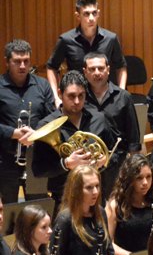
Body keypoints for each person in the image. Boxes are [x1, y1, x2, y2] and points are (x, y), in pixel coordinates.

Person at [29, 70, 121, 205]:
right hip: (63, 198)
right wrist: (66, 163)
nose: (77, 101)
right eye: (71, 96)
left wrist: (105, 159)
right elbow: (38, 170)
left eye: (81, 95)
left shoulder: (99, 119)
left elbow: (116, 154)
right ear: (60, 94)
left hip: (96, 196)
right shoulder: (46, 126)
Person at [0, 39, 55, 204]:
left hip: (36, 159)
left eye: (26, 61)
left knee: (38, 209)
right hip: (5, 161)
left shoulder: (43, 86)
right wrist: (13, 133)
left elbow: (53, 118)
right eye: (17, 61)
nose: (22, 66)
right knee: (7, 209)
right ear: (7, 62)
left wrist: (36, 133)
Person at [46, 0, 126, 106]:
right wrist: (55, 97)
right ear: (78, 16)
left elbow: (121, 66)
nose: (91, 18)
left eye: (94, 13)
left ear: (98, 13)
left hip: (105, 98)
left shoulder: (111, 39)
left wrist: (121, 93)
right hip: (78, 101)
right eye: (86, 14)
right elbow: (51, 67)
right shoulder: (66, 40)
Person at [83, 52, 139, 198]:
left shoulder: (124, 97)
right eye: (92, 69)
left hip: (117, 165)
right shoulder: (80, 98)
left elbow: (133, 140)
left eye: (101, 68)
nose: (97, 73)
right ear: (85, 72)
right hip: (88, 165)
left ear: (108, 70)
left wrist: (133, 172)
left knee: (116, 206)